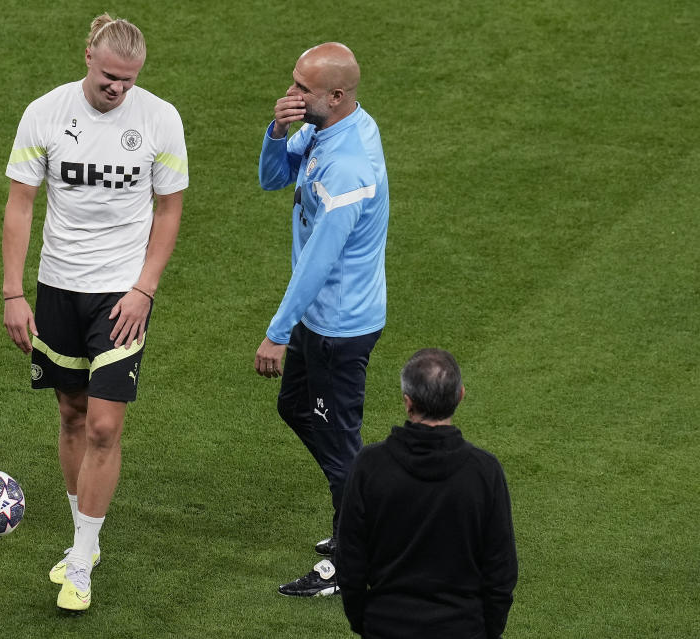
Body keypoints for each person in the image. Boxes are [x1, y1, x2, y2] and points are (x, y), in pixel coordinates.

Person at [1, 13, 188, 613]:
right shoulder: (46, 113)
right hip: (57, 286)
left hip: (120, 296)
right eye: (111, 78)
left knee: (106, 425)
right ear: (88, 56)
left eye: (130, 81)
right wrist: (12, 294)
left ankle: (81, 556)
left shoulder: (160, 118)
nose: (119, 90)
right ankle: (83, 526)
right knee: (72, 413)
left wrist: (145, 289)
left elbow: (168, 210)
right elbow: (21, 206)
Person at [255, 42, 390, 597]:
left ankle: (351, 554)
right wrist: (275, 131)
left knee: (340, 449)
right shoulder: (327, 127)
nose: (291, 95)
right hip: (320, 319)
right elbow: (272, 180)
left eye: (302, 90)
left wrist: (276, 332)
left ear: (336, 96)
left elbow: (318, 262)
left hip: (340, 327)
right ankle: (365, 497)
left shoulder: (349, 166)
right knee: (295, 409)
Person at [335, 349, 518, 638]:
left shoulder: (370, 467)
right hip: (462, 629)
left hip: (387, 626)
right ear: (460, 396)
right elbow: (501, 572)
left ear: (408, 403)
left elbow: (350, 563)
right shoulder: (484, 472)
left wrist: (368, 622)